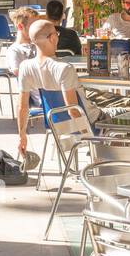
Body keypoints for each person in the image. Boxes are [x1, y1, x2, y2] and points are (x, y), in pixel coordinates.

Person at [16, 19, 98, 156]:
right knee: (127, 111)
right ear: (53, 38)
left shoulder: (25, 67)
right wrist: (90, 138)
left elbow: (22, 107)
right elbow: (73, 110)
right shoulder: (64, 68)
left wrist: (21, 136)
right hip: (91, 122)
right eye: (57, 34)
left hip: (56, 126)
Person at [5, 6, 39, 80]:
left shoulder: (38, 46)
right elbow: (17, 71)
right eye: (33, 26)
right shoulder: (14, 50)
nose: (37, 29)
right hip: (35, 89)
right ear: (20, 27)